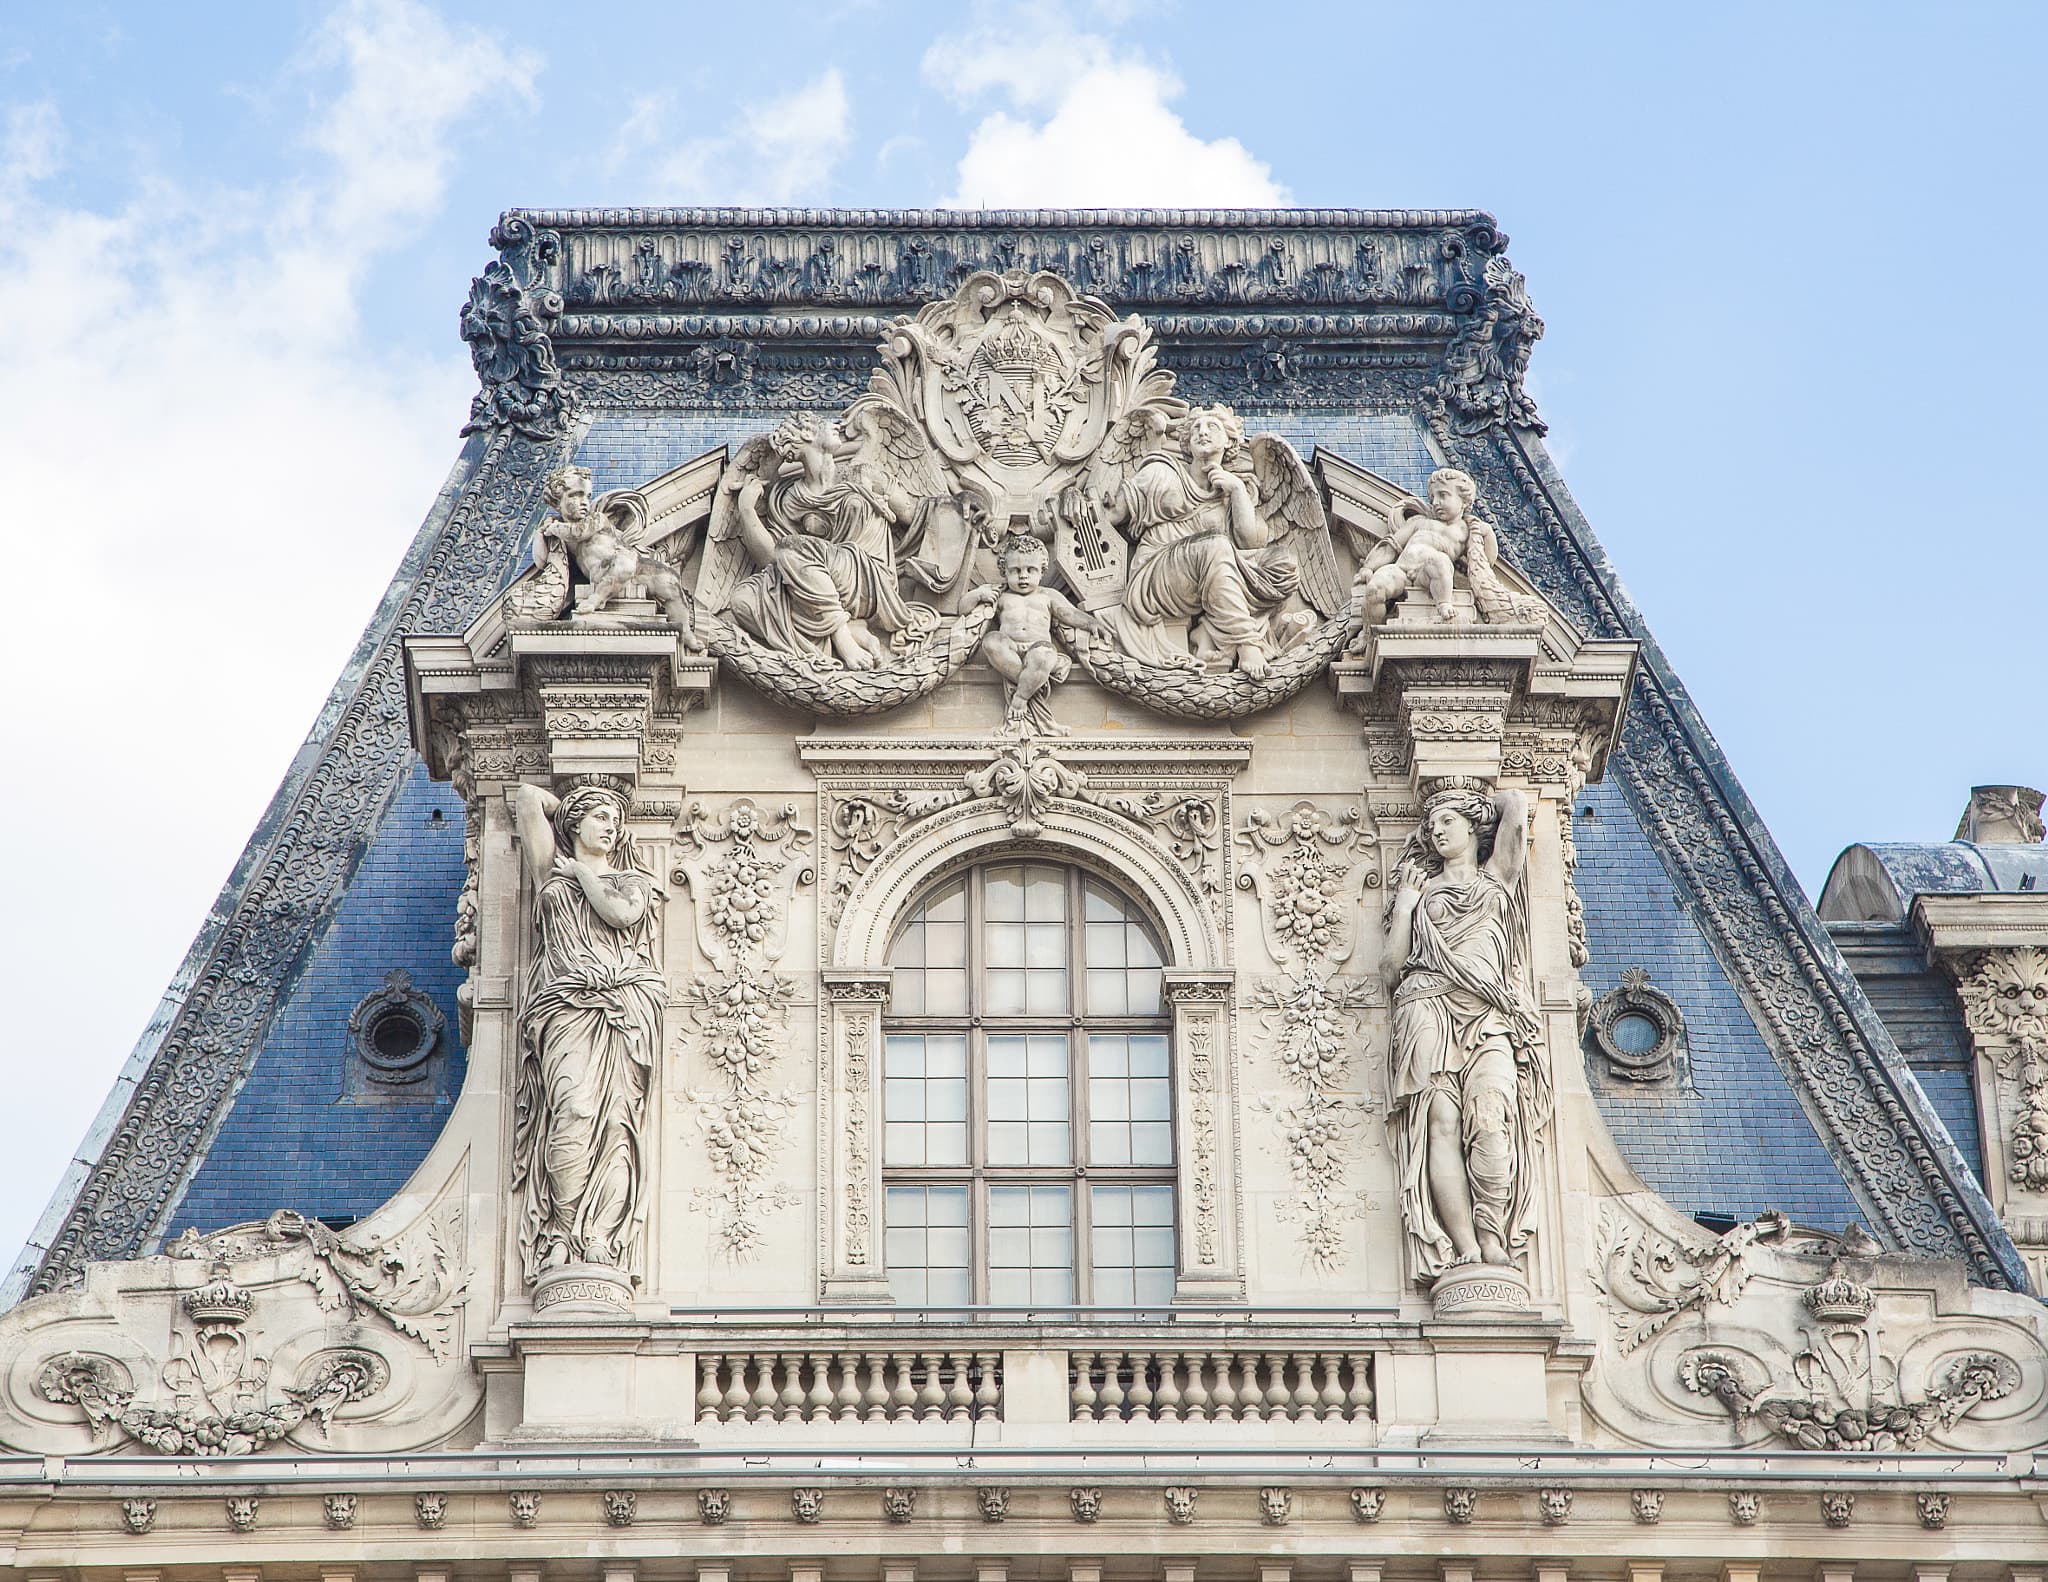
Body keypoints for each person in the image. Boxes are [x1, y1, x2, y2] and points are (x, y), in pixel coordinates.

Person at [1382, 779, 1550, 1281]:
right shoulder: (1420, 894)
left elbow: (1515, 807)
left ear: (1474, 827)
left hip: (1487, 1012)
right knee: (1442, 1125)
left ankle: (1492, 1233)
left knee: (1491, 1116)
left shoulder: (1497, 879)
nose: (1436, 831)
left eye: (1447, 821)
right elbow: (1390, 970)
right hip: (1427, 1008)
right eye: (1431, 824)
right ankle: (1465, 1248)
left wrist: (1469, 777)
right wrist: (1407, 904)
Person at [510, 780, 663, 1282]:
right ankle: (561, 1232)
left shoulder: (631, 881)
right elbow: (527, 798)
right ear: (575, 824)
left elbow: (621, 913)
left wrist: (581, 871)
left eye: (617, 821)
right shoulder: (548, 871)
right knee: (573, 1111)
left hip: (621, 1011)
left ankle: (597, 1236)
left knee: (617, 1122)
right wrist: (572, 809)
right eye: (601, 818)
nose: (612, 827)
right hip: (565, 1008)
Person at [1098, 406, 1303, 677]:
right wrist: (1073, 499)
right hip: (1156, 577)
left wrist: (1236, 489)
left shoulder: (1235, 488)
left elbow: (1248, 542)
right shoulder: (1161, 472)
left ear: (1229, 441)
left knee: (1284, 563)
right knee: (1216, 545)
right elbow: (1109, 515)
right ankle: (1246, 643)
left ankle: (1208, 629)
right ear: (1186, 441)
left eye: (1212, 427)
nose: (1202, 432)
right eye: (1196, 428)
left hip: (1208, 575)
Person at [970, 532, 1104, 734]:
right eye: (1015, 570)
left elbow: (1068, 613)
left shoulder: (1047, 595)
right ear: (1004, 571)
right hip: (1010, 650)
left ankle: (1020, 697)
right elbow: (963, 608)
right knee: (991, 642)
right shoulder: (1001, 596)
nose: (1023, 576)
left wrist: (1091, 623)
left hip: (1038, 648)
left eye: (1030, 570)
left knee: (1043, 656)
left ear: (1042, 571)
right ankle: (1031, 682)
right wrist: (978, 594)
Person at [1355, 467, 1479, 625]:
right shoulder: (1420, 522)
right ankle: (1370, 631)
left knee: (1440, 560)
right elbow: (1390, 546)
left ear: (1464, 502)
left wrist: (1486, 534)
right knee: (1374, 589)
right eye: (1433, 497)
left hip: (1427, 573)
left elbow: (1482, 562)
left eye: (1442, 495)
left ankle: (1444, 603)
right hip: (1401, 570)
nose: (1435, 502)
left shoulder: (1466, 531)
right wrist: (1368, 567)